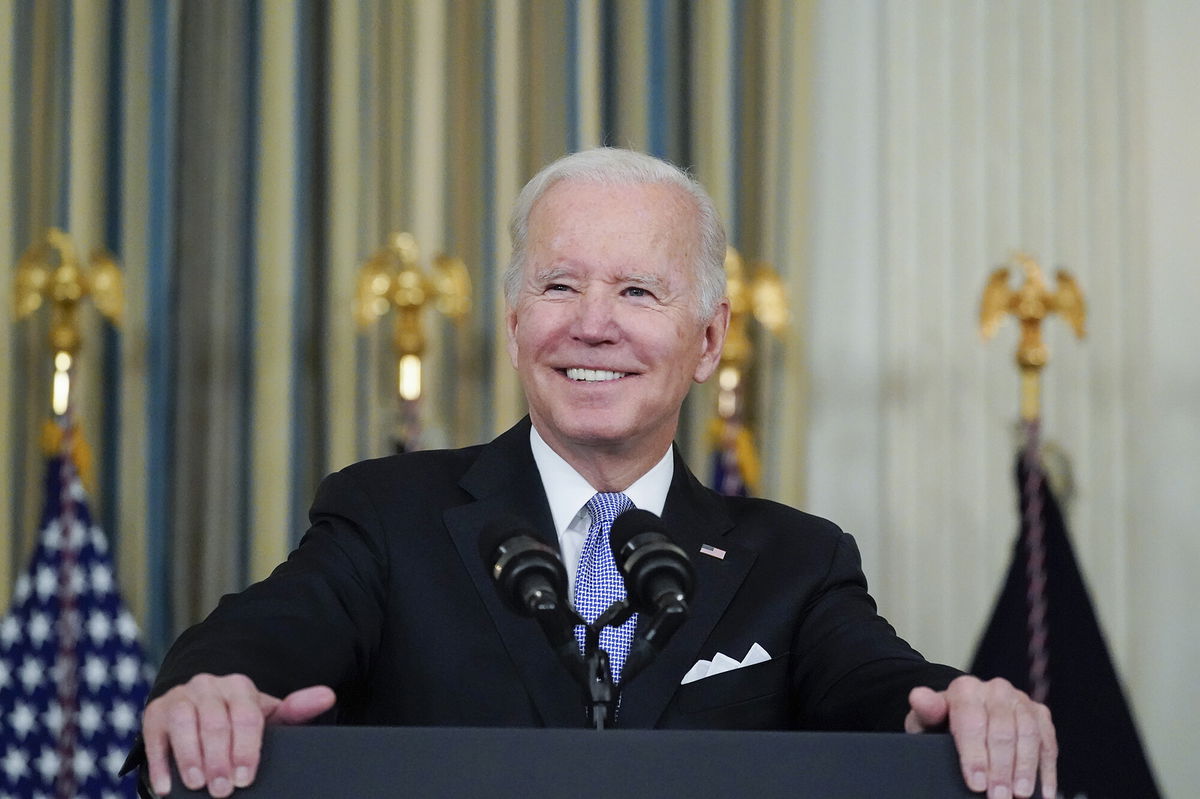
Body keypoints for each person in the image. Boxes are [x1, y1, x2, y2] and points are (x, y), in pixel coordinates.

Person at [136, 148, 1056, 799]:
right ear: (512, 324)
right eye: (558, 285)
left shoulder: (794, 561)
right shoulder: (387, 516)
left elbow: (883, 688)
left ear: (708, 339)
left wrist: (962, 706)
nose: (592, 324)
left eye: (638, 291)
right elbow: (256, 640)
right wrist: (217, 683)